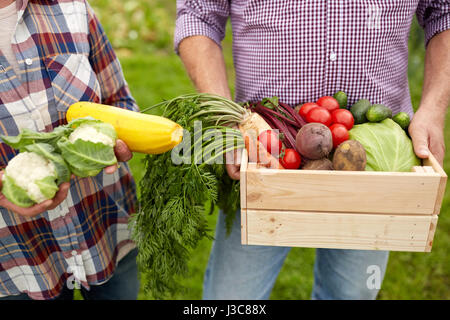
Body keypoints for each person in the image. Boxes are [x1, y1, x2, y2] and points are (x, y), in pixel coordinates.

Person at [175, 1, 450, 299]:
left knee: (352, 293)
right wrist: (227, 117)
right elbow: (197, 15)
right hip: (263, 153)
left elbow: (443, 11)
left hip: (373, 165)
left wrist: (434, 109)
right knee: (231, 296)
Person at [0, 0, 139, 300]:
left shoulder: (72, 6)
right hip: (18, 257)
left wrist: (120, 141)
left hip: (105, 227)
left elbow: (120, 100)